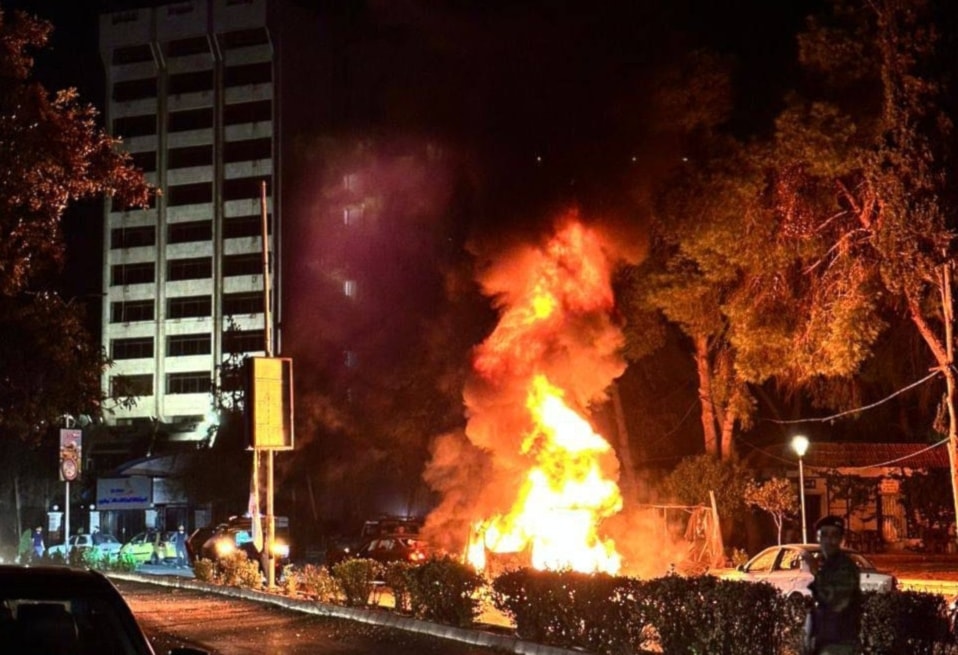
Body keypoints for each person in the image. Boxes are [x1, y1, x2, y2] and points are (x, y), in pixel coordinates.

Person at [802, 515, 862, 655]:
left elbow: (836, 601)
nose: (829, 540)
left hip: (840, 644)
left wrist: (816, 572)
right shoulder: (827, 566)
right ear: (818, 538)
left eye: (834, 535)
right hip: (824, 643)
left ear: (842, 539)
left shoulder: (845, 567)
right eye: (824, 535)